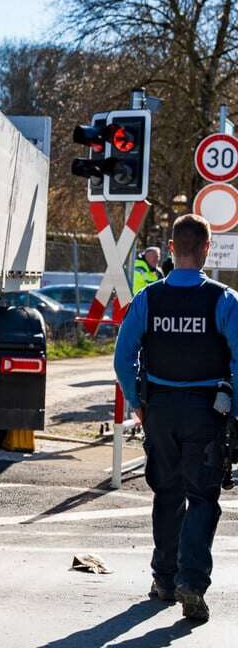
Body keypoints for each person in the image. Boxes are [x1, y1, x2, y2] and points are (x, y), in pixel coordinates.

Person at [114, 214, 238, 622]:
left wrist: (137, 402)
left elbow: (122, 356)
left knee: (167, 493)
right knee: (202, 497)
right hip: (206, 411)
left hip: (160, 411)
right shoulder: (224, 300)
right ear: (206, 249)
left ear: (170, 250)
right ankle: (192, 582)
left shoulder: (148, 298)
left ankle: (164, 579)